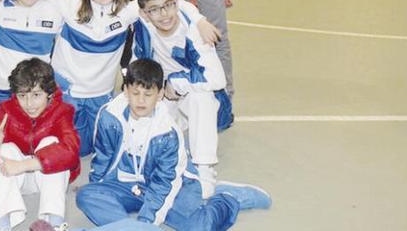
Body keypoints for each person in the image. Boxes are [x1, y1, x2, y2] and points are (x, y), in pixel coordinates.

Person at [0, 0, 217, 158]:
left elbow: (167, 0)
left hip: (101, 95)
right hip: (68, 93)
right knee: (76, 150)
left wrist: (199, 20)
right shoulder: (69, 4)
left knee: (100, 147)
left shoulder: (127, 10)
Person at [74, 59, 271, 231]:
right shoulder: (109, 116)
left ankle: (227, 198)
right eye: (135, 93)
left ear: (160, 94)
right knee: (87, 196)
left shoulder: (167, 132)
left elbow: (164, 183)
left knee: (198, 227)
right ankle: (130, 228)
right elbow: (103, 159)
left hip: (169, 187)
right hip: (124, 185)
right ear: (125, 90)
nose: (141, 101)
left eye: (148, 94)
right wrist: (100, 188)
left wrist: (147, 222)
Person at [132, 0, 233, 196]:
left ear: (176, 3)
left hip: (192, 95)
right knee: (131, 108)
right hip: (163, 95)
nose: (165, 14)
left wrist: (176, 84)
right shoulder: (142, 24)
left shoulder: (195, 31)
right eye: (155, 10)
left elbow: (217, 79)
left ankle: (204, 168)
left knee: (202, 99)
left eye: (169, 5)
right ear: (144, 14)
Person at [0, 58, 81, 231]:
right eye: (22, 96)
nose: (29, 104)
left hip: (48, 178)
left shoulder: (63, 110)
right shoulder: (6, 110)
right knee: (6, 148)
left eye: (36, 95)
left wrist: (25, 165)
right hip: (18, 179)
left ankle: (54, 223)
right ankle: (3, 224)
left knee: (52, 143)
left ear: (49, 93)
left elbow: (72, 153)